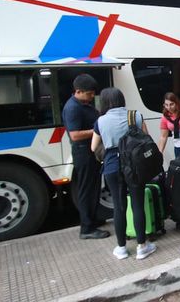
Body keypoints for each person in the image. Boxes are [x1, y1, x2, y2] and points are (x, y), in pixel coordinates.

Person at [91, 88, 156, 260]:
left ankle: (121, 248)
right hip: (134, 167)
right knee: (137, 204)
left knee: (119, 208)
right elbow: (146, 139)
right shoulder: (135, 115)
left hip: (112, 166)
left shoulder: (100, 121)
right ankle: (142, 246)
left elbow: (93, 147)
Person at [61, 74, 109, 240]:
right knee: (86, 190)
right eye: (89, 94)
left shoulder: (83, 104)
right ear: (78, 91)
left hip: (91, 151)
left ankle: (92, 219)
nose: (91, 96)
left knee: (94, 187)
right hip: (83, 153)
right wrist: (97, 130)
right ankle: (87, 228)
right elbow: (74, 135)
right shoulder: (72, 108)